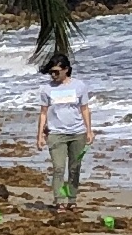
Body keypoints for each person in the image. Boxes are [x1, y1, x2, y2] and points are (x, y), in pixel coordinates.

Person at [36, 54, 94, 206]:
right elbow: (43, 113)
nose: (53, 75)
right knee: (59, 168)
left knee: (75, 168)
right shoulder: (46, 89)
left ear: (66, 70)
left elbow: (85, 109)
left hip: (77, 133)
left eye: (56, 71)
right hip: (56, 134)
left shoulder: (79, 86)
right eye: (51, 72)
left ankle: (72, 200)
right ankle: (59, 201)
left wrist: (89, 131)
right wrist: (40, 135)